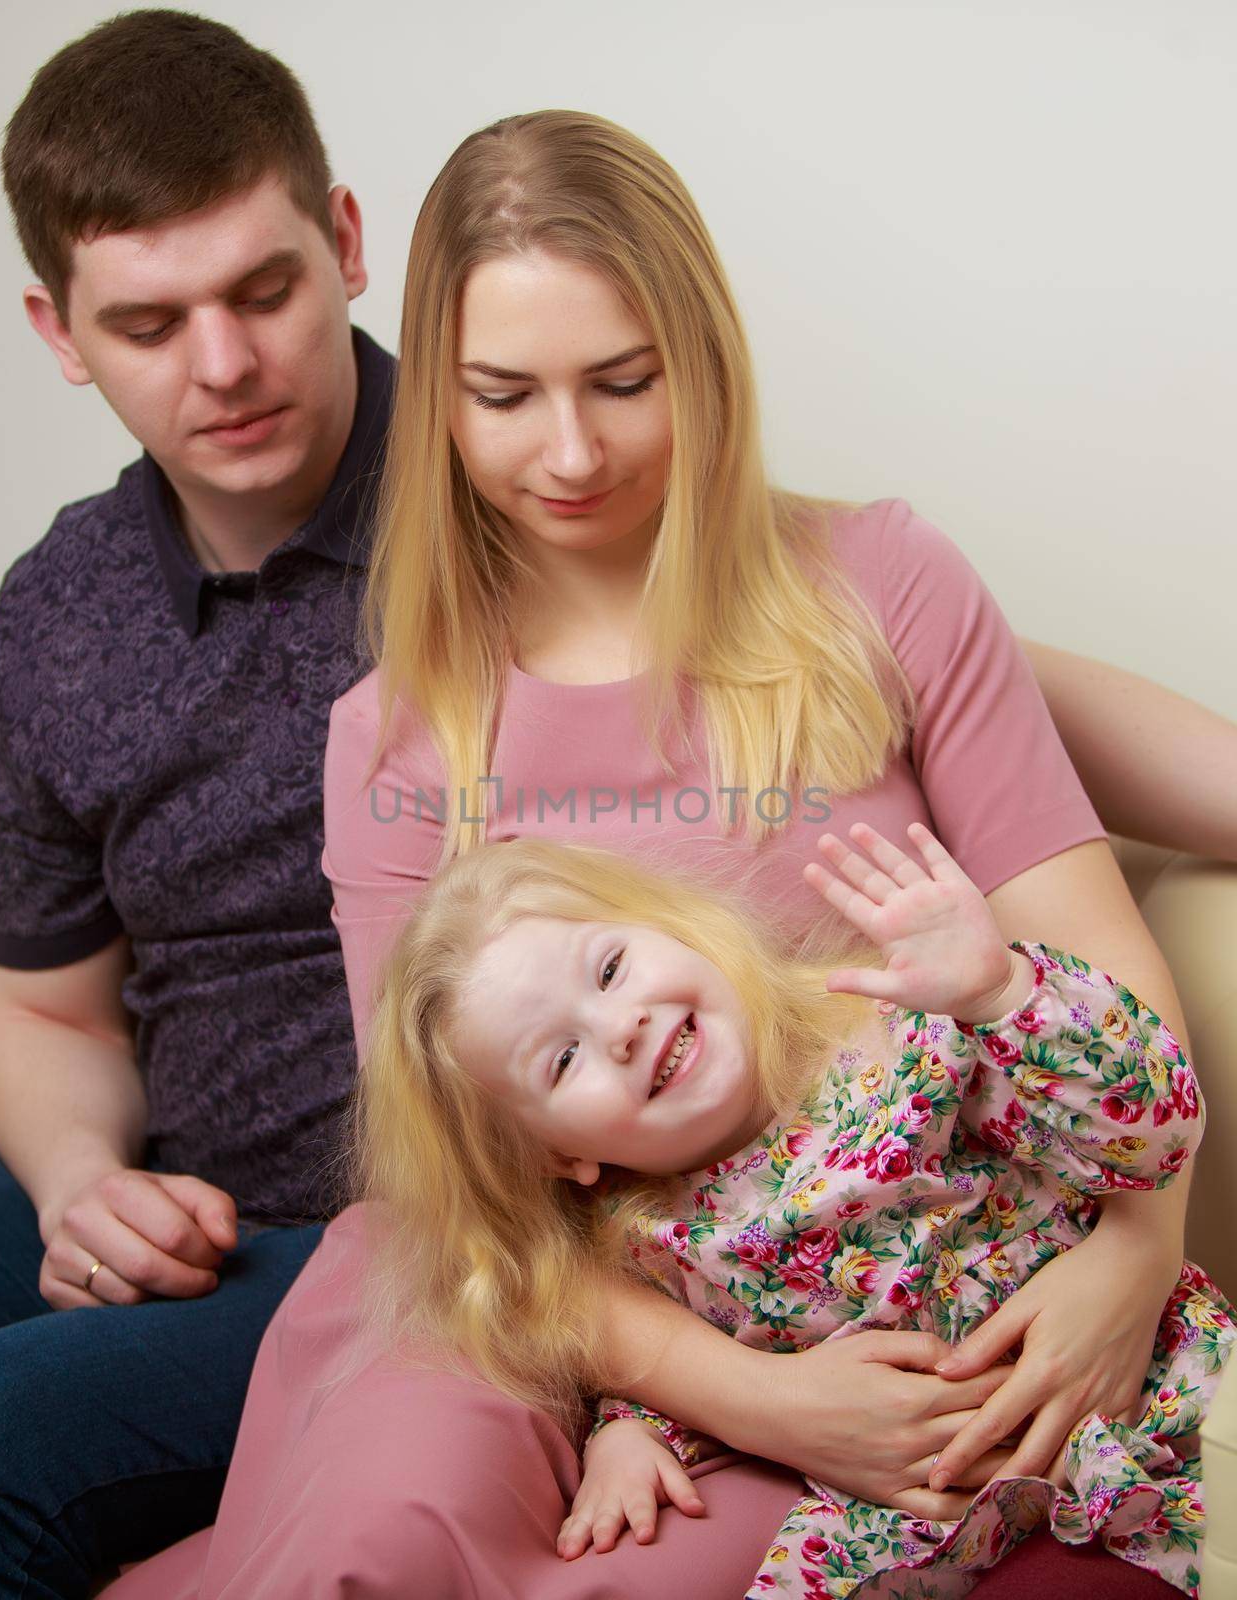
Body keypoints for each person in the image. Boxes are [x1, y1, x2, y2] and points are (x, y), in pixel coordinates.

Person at [104, 108, 1236, 1598]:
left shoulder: (883, 586)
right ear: (434, 396)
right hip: (532, 1301)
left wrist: (1134, 1256)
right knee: (372, 1547)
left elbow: (1104, 994)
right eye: (503, 396)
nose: (570, 452)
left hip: (854, 1285)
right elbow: (466, 1192)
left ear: (699, 360)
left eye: (623, 383)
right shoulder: (393, 738)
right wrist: (744, 1396)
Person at [0, 12, 395, 1596]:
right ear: (59, 331)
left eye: (264, 291)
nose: (224, 365)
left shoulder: (520, 480)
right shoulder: (57, 611)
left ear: (344, 243)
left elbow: (879, 635)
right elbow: (47, 1010)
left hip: (426, 1260)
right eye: (148, 323)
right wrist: (84, 1192)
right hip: (185, 1217)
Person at [352, 821, 1229, 1596]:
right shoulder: (646, 1239)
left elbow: (1152, 1131)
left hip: (1142, 1401)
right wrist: (626, 1438)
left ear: (675, 932)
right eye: (561, 1059)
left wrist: (1000, 993)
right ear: (559, 1157)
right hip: (922, 1519)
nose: (617, 1026)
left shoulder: (903, 1033)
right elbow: (683, 1367)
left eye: (612, 967)